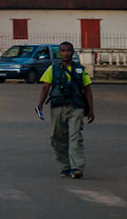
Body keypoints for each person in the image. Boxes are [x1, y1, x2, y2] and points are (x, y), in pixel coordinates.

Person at [36, 41, 94, 179]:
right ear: (59, 53)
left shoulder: (80, 69)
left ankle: (77, 168)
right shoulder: (53, 69)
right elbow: (46, 87)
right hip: (58, 106)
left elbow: (87, 89)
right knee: (57, 137)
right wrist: (40, 103)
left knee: (75, 136)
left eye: (68, 50)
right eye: (63, 51)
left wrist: (91, 110)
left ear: (73, 52)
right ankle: (65, 167)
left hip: (76, 106)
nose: (66, 53)